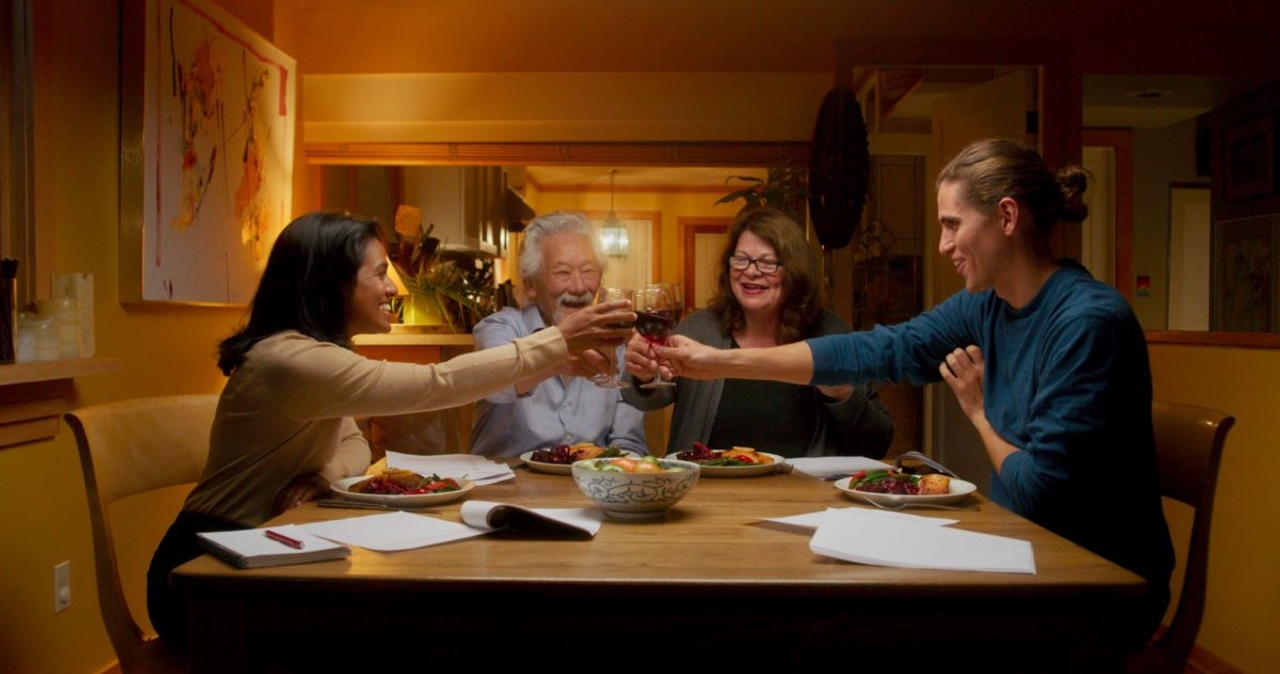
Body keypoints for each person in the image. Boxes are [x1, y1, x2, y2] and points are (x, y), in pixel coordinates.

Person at [655, 139, 1174, 647]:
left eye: (952, 224)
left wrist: (981, 413)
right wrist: (719, 362)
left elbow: (1041, 492)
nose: (944, 244)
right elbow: (880, 349)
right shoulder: (985, 305)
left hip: (1094, 589)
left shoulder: (1085, 322)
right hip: (1025, 553)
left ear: (1007, 217)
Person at [146, 211, 633, 650]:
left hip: (269, 551)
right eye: (379, 274)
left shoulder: (315, 356)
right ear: (333, 283)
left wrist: (321, 476)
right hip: (206, 575)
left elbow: (354, 443)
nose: (393, 289)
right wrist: (558, 341)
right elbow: (435, 385)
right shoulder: (292, 361)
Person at [623, 206, 893, 459]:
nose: (751, 272)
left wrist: (843, 394)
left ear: (794, 271)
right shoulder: (700, 328)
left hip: (804, 490)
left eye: (767, 263)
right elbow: (644, 398)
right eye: (741, 260)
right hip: (707, 488)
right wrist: (643, 372)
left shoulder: (828, 332)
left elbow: (878, 442)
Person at [469, 210, 648, 456]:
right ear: (531, 284)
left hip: (591, 478)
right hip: (507, 478)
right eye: (562, 272)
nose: (579, 287)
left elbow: (629, 445)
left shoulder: (616, 342)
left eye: (589, 271)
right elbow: (494, 383)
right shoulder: (499, 329)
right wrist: (554, 355)